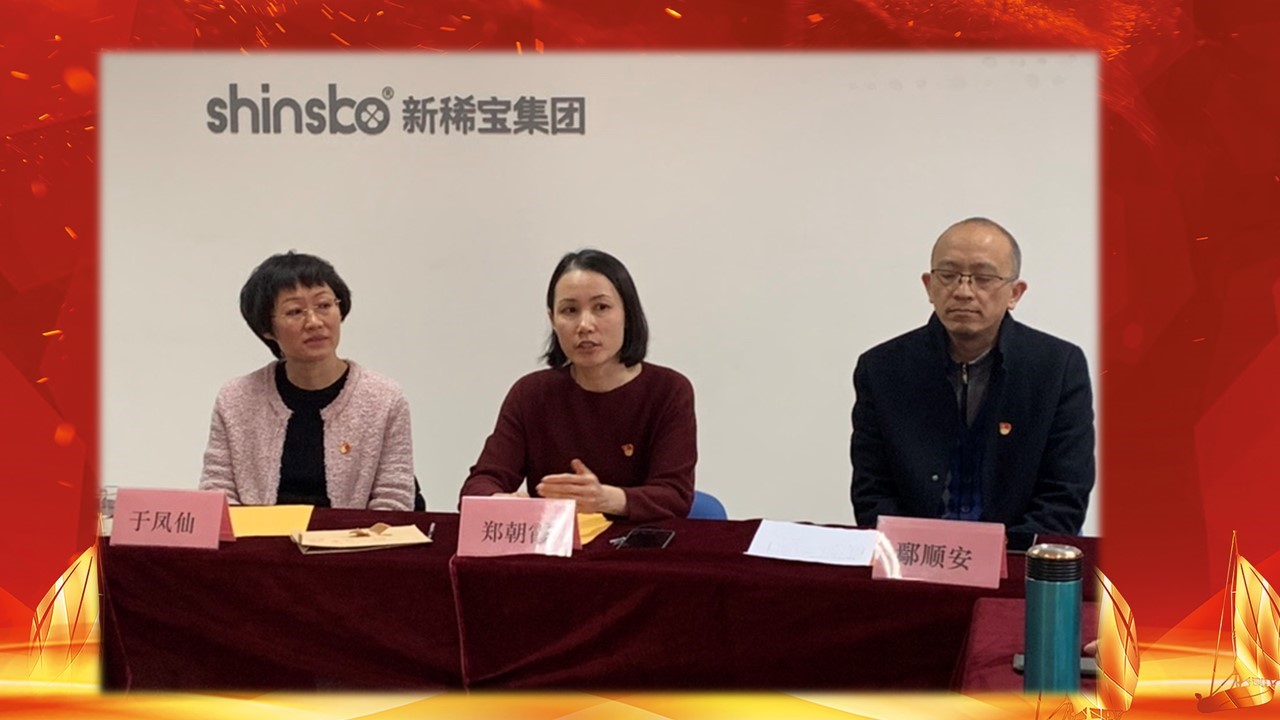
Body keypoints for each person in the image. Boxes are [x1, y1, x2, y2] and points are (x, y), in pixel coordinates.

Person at [850, 217, 1094, 535]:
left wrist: (1002, 554)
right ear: (929, 286)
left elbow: (1064, 496)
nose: (963, 291)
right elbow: (872, 493)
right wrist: (917, 550)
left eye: (983, 278)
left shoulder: (1057, 367)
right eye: (948, 275)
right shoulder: (882, 369)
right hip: (914, 555)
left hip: (1019, 555)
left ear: (1015, 293)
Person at [460, 249, 697, 522]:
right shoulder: (531, 394)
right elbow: (480, 484)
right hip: (555, 544)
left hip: (638, 543)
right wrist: (498, 502)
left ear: (628, 314)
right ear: (553, 320)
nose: (585, 325)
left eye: (601, 307)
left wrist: (605, 499)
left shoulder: (668, 391)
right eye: (570, 311)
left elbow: (674, 496)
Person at [198, 251, 416, 510]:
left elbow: (393, 501)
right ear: (267, 328)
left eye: (324, 305)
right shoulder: (236, 399)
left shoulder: (384, 399)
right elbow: (218, 496)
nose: (314, 322)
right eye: (295, 311)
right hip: (258, 536)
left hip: (354, 537)